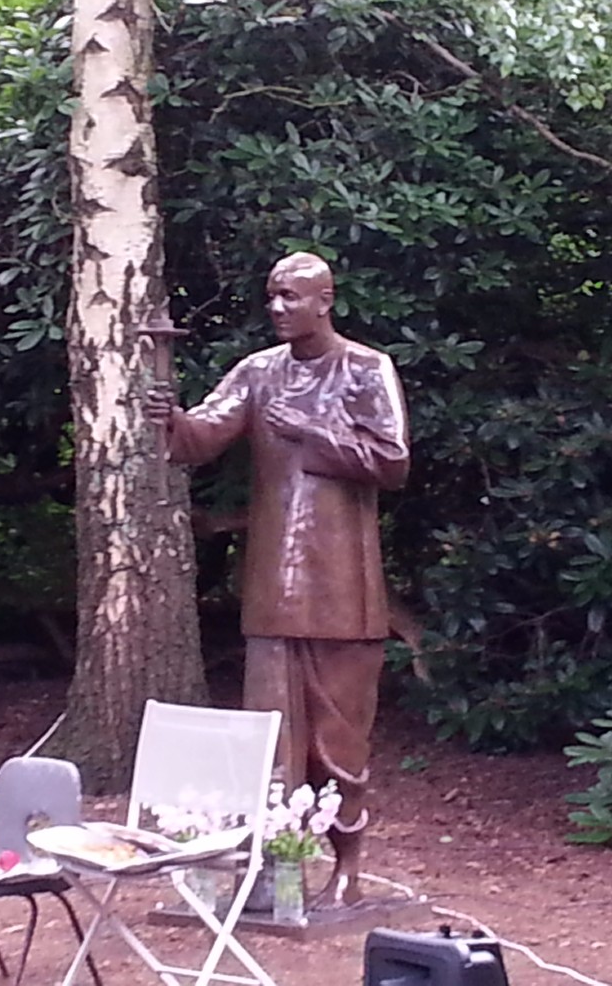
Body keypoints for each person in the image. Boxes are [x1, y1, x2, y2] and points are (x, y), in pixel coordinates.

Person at [145, 252, 409, 906]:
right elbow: (202, 435)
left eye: (291, 295)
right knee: (268, 737)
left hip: (343, 589)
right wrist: (171, 418)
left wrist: (312, 431)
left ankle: (347, 867)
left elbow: (393, 461)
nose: (278, 307)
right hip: (272, 587)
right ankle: (271, 865)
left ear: (325, 301)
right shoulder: (258, 372)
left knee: (340, 739)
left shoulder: (365, 368)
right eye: (272, 295)